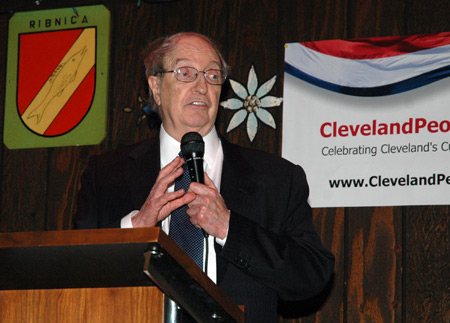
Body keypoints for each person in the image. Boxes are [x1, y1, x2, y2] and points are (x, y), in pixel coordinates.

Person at [74, 32, 335, 322]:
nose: (201, 86)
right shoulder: (105, 174)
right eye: (185, 73)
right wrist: (137, 226)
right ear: (156, 86)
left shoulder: (276, 178)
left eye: (212, 75)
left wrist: (229, 228)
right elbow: (75, 272)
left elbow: (311, 275)